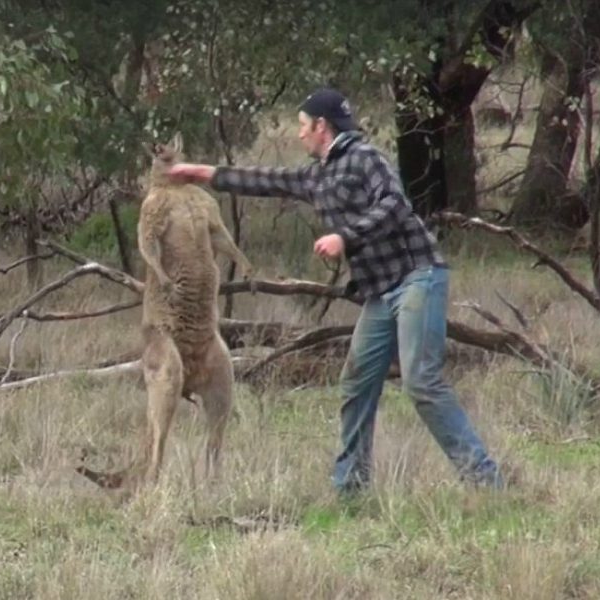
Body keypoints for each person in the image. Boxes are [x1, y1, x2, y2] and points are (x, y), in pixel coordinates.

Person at [168, 87, 503, 493]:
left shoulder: (366, 159)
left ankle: (486, 482)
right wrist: (199, 173)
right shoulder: (318, 175)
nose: (299, 135)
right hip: (379, 292)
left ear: (322, 127)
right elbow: (265, 180)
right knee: (358, 382)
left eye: (303, 126)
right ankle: (351, 488)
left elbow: (395, 205)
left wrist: (345, 236)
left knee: (421, 382)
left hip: (418, 277)